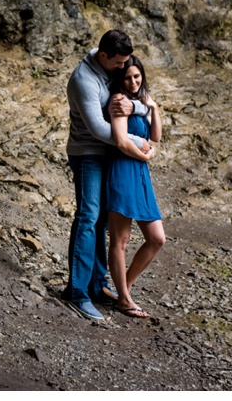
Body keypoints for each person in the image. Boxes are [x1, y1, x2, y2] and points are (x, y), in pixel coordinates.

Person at [62, 30, 151, 321]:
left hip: (108, 153)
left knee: (101, 220)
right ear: (104, 56)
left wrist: (137, 106)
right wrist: (136, 142)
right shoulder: (84, 81)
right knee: (88, 217)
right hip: (88, 153)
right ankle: (77, 292)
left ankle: (97, 285)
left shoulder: (106, 60)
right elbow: (100, 129)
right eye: (119, 63)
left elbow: (131, 99)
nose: (123, 68)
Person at [105, 55, 164, 319]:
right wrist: (145, 155)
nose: (133, 81)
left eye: (137, 76)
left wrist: (153, 106)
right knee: (121, 240)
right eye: (128, 77)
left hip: (140, 174)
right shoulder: (118, 101)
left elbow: (156, 137)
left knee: (157, 238)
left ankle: (123, 290)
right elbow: (120, 140)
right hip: (123, 168)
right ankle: (125, 299)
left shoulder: (141, 102)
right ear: (121, 79)